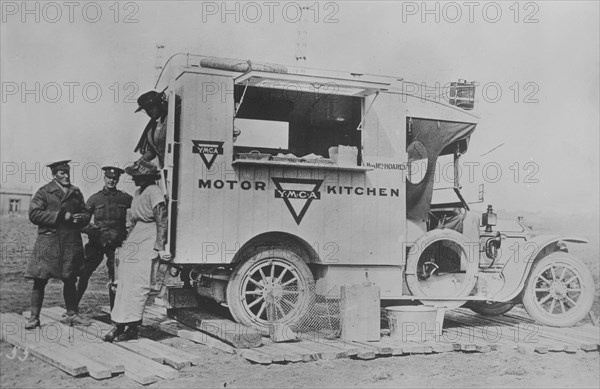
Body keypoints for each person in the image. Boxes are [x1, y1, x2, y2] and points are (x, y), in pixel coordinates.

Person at [103, 160, 171, 342]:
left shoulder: (154, 191)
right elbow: (133, 219)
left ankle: (132, 327)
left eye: (136, 177)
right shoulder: (138, 192)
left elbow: (162, 220)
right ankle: (118, 324)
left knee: (138, 285)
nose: (133, 179)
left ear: (146, 177)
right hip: (136, 237)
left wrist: (161, 246)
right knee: (123, 283)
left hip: (149, 238)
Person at [25, 160, 91, 328]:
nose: (66, 176)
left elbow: (85, 212)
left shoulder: (76, 192)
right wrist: (59, 216)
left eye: (67, 172)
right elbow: (34, 214)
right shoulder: (44, 192)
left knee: (70, 278)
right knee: (40, 279)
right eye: (62, 173)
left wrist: (80, 218)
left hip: (70, 241)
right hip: (49, 242)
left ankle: (72, 314)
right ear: (54, 174)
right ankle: (34, 318)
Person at [78, 167, 132, 310]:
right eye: (109, 177)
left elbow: (140, 211)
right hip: (96, 241)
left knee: (115, 277)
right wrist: (93, 231)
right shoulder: (95, 199)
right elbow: (83, 221)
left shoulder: (124, 198)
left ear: (118, 180)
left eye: (114, 178)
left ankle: (115, 311)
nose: (111, 180)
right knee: (85, 272)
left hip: (115, 243)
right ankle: (73, 307)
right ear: (104, 178)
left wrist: (130, 231)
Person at [134, 90, 168, 168]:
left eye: (151, 107)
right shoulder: (151, 127)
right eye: (146, 109)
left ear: (158, 104)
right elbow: (152, 150)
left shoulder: (169, 120)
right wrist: (140, 161)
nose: (149, 111)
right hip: (164, 169)